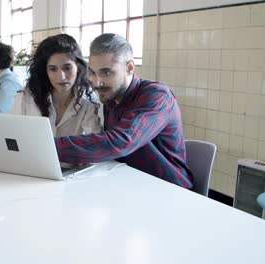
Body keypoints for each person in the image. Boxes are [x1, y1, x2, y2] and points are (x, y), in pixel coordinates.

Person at [54, 33, 193, 189]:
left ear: (129, 68)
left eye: (106, 72)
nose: (96, 82)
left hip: (170, 191)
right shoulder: (111, 98)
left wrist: (49, 147)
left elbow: (121, 141)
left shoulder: (157, 96)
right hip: (131, 186)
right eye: (92, 72)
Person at [11, 33, 101, 138]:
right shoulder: (26, 97)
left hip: (70, 154)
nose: (61, 77)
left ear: (78, 67)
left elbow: (94, 140)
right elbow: (13, 137)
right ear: (45, 71)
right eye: (53, 69)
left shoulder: (87, 98)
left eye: (67, 68)